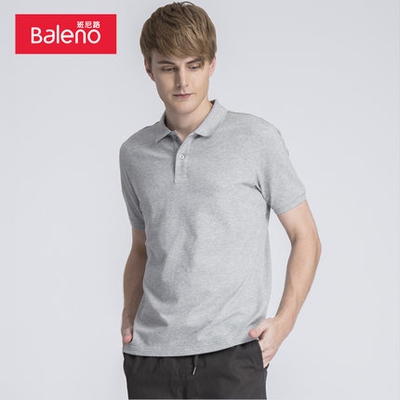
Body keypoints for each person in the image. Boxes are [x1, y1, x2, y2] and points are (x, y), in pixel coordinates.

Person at [119, 2, 321, 399]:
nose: (182, 81)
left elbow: (306, 237)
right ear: (149, 69)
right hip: (151, 358)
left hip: (233, 354)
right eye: (168, 67)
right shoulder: (134, 153)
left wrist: (285, 321)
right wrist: (129, 315)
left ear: (212, 64)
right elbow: (141, 248)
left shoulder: (256, 139)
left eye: (193, 65)